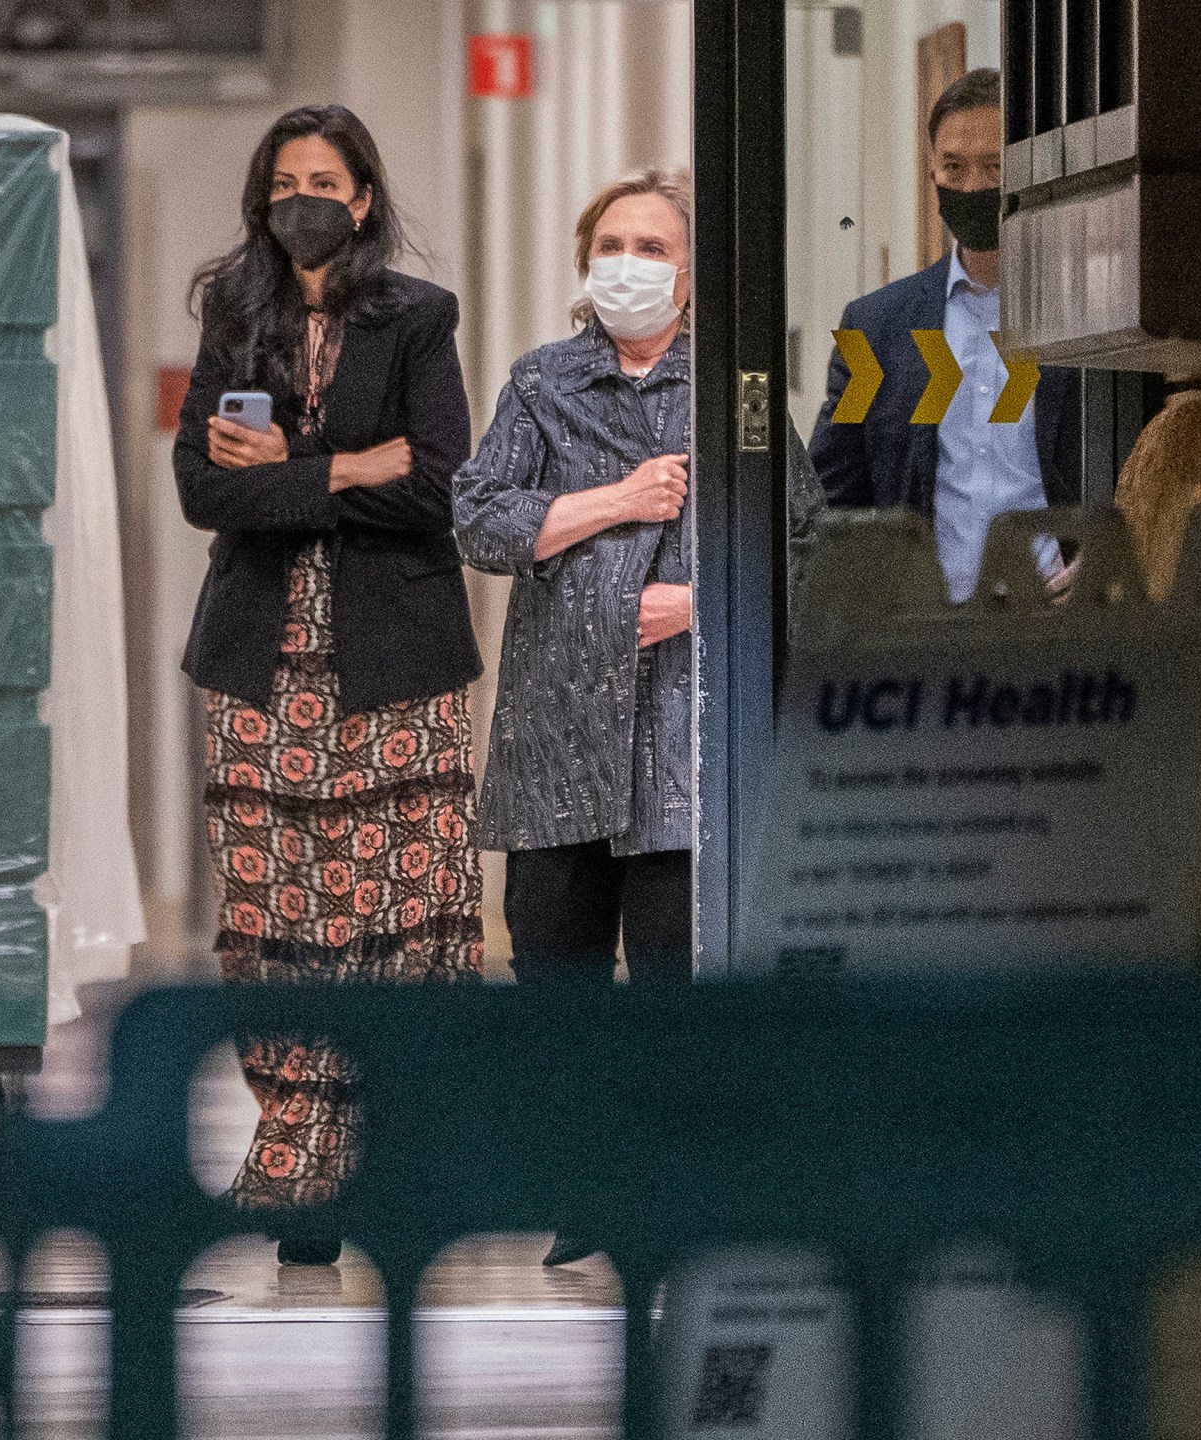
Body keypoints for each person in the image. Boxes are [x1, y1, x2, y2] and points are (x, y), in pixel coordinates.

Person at [176, 104, 484, 1266]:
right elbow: (205, 492)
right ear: (264, 201)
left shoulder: (416, 317)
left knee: (399, 923)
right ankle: (297, 1154)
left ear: (361, 197)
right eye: (284, 179)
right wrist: (348, 465)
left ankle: (384, 1161)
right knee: (272, 922)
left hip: (395, 662)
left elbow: (441, 486)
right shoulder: (234, 313)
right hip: (260, 662)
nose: (303, 196)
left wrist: (291, 474)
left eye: (327, 178)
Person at [454, 169, 695, 1264]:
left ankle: (666, 1192)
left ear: (689, 274)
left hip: (682, 732)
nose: (631, 263)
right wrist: (621, 500)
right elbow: (482, 520)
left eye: (654, 245)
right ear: (582, 259)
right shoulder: (543, 383)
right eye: (614, 241)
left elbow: (799, 539)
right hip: (556, 728)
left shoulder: (728, 385)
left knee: (671, 978)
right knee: (554, 970)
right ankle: (585, 1185)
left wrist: (698, 602)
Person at [806, 68, 1081, 603]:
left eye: (993, 167)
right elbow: (833, 489)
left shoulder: (1083, 314)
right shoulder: (877, 330)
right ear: (931, 171)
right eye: (953, 167)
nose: (973, 186)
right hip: (923, 631)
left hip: (1064, 622)